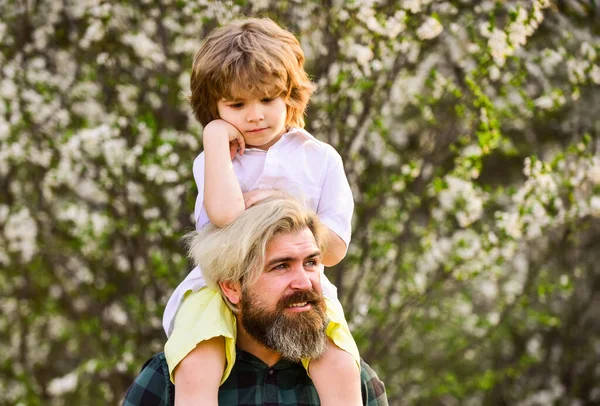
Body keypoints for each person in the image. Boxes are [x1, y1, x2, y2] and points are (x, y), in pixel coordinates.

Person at [162, 17, 361, 405]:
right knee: (197, 363)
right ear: (213, 107)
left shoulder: (319, 159)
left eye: (267, 99)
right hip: (217, 288)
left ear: (290, 96)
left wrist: (282, 206)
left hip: (303, 286)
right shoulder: (215, 158)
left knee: (339, 364)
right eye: (236, 105)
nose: (254, 115)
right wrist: (215, 135)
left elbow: (333, 251)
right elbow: (223, 214)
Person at [125, 197, 388, 405]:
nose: (305, 282)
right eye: (281, 266)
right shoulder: (167, 383)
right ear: (231, 287)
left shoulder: (357, 383)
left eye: (310, 263)